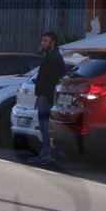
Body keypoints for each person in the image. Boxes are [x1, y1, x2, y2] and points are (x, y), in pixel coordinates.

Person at [31, 30, 66, 165]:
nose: (42, 43)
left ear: (53, 43)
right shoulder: (48, 57)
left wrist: (47, 96)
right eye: (42, 40)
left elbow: (53, 81)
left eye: (45, 41)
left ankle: (50, 155)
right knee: (43, 128)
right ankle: (44, 153)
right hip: (43, 97)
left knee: (48, 128)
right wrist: (38, 96)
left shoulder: (55, 59)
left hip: (48, 98)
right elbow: (41, 78)